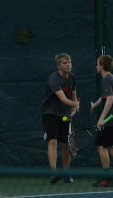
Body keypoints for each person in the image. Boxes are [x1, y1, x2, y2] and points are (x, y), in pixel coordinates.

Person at [41, 53, 79, 184]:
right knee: (52, 141)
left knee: (66, 144)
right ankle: (54, 174)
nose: (68, 64)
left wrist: (73, 111)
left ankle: (66, 173)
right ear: (58, 66)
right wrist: (75, 105)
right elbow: (63, 98)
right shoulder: (54, 79)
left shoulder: (72, 78)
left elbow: (74, 97)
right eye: (65, 63)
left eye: (69, 62)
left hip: (64, 114)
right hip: (49, 113)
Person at [90, 55, 113, 187]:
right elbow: (105, 96)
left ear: (102, 66)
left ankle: (107, 179)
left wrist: (101, 119)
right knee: (110, 146)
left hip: (111, 119)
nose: (96, 66)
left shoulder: (106, 80)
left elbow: (110, 99)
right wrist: (95, 105)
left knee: (101, 146)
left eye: (97, 64)